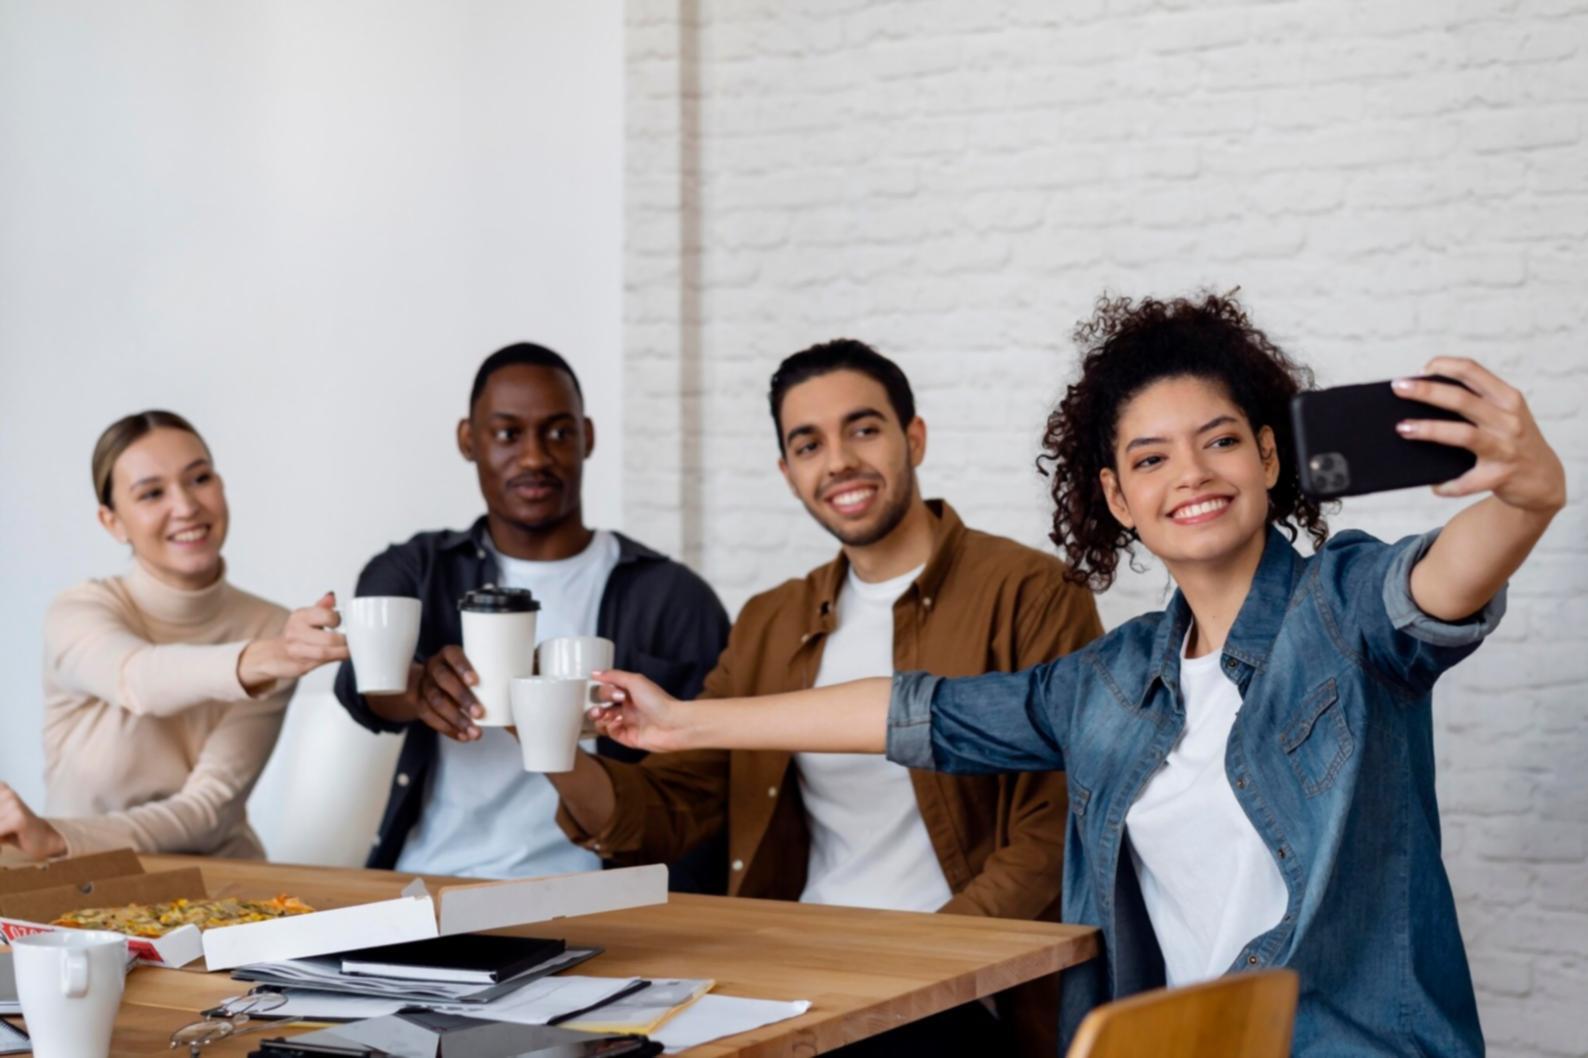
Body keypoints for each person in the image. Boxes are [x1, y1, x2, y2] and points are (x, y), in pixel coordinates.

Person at [583, 295, 1565, 1058]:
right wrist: (679, 722)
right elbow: (915, 710)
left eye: (1220, 439)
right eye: (1150, 456)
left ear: (1269, 454)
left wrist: (1527, 493)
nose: (1190, 473)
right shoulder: (1114, 677)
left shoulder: (1346, 607)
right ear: (1117, 495)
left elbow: (1439, 575)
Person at [547, 340, 1103, 1057]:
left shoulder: (1031, 592)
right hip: (794, 975)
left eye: (863, 429)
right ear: (788, 472)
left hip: (959, 989)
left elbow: (1057, 826)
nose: (838, 460)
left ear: (915, 438)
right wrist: (550, 746)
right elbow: (667, 811)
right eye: (808, 444)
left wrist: (919, 966)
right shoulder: (769, 622)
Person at [333, 343, 729, 885]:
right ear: (467, 440)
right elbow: (365, 686)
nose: (536, 457)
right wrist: (422, 688)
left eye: (559, 433)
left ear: (588, 437)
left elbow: (703, 788)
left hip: (601, 894)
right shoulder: (419, 571)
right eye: (507, 434)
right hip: (429, 884)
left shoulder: (673, 596)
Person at [0, 410, 348, 860]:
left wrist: (63, 837)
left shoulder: (270, 628)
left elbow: (207, 812)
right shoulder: (80, 612)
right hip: (80, 884)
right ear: (113, 522)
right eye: (151, 493)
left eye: (200, 479)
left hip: (222, 885)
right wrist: (259, 660)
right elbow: (137, 679)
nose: (185, 506)